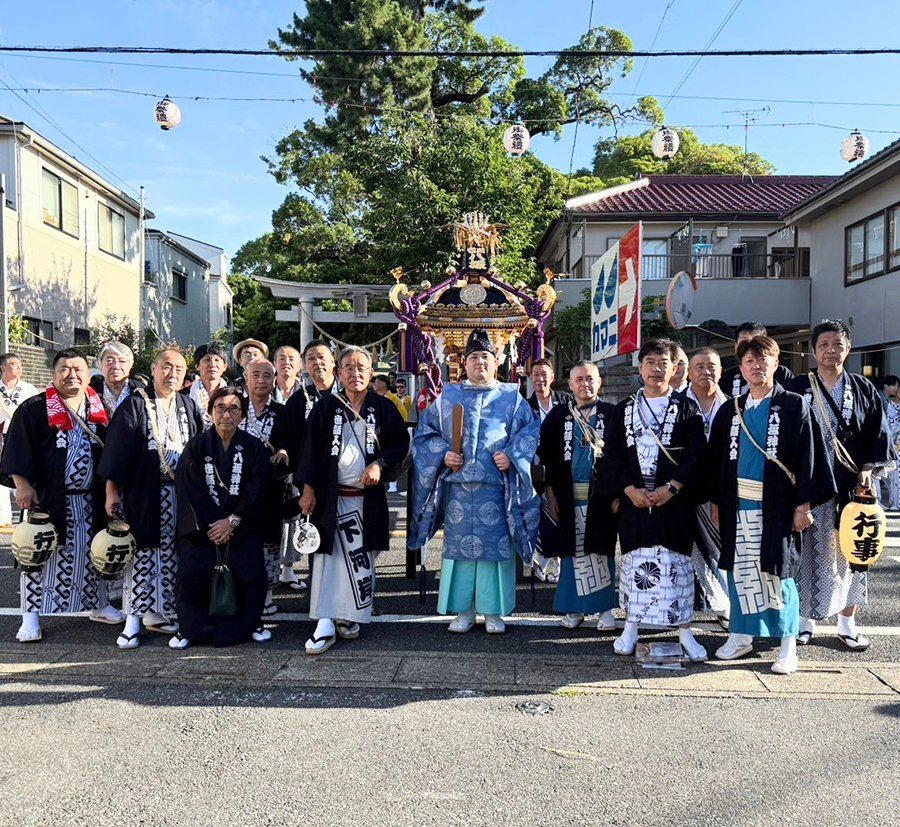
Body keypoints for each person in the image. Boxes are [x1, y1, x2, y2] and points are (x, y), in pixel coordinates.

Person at [707, 335, 834, 674]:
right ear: (741, 368)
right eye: (749, 362)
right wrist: (718, 502)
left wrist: (803, 505)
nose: (756, 366)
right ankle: (740, 636)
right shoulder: (730, 409)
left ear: (777, 364)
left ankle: (788, 644)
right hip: (737, 504)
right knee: (741, 572)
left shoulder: (794, 404)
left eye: (763, 360)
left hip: (777, 504)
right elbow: (717, 462)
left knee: (780, 574)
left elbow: (808, 458)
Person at [410, 330, 540, 635]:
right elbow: (424, 435)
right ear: (464, 364)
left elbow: (530, 433)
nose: (480, 362)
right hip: (458, 489)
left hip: (495, 489)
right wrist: (442, 454)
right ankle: (464, 611)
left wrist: (511, 454)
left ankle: (494, 611)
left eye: (485, 357)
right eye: (474, 357)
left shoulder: (511, 397)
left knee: (495, 553)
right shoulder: (448, 397)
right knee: (459, 554)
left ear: (496, 363)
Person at [0, 348, 123, 642]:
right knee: (37, 555)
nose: (72, 375)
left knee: (95, 553)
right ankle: (30, 617)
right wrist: (22, 484)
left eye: (78, 369)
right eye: (65, 369)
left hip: (90, 498)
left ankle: (99, 604)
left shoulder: (100, 406)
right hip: (48, 498)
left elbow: (115, 451)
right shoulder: (33, 408)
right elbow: (17, 447)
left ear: (87, 372)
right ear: (54, 375)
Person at [786, 320, 893, 651]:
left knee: (854, 552)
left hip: (851, 487)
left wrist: (867, 471)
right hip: (809, 488)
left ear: (847, 349)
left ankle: (848, 623)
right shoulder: (800, 388)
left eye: (837, 344)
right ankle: (805, 621)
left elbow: (879, 435)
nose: (831, 350)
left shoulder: (862, 389)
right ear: (813, 351)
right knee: (806, 555)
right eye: (824, 345)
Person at [295, 347, 409, 654]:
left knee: (361, 560)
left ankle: (349, 615)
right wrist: (307, 491)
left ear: (371, 373)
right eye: (347, 367)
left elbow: (401, 444)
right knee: (327, 562)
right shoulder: (326, 407)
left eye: (361, 367)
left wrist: (379, 465)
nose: (354, 373)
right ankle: (324, 621)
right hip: (330, 498)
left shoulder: (383, 408)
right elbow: (309, 451)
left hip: (367, 499)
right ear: (339, 372)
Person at [600, 338, 707, 661]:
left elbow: (696, 456)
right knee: (635, 563)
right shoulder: (624, 410)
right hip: (636, 499)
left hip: (674, 501)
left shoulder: (687, 409)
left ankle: (685, 630)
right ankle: (631, 626)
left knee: (678, 566)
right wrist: (628, 490)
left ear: (675, 368)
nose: (656, 369)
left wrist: (672, 487)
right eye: (650, 362)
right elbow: (612, 456)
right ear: (640, 367)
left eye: (663, 363)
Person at [100, 349, 205, 649]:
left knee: (176, 555)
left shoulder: (188, 404)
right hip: (145, 492)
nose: (172, 374)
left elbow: (198, 447)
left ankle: (165, 613)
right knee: (142, 555)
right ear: (154, 369)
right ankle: (133, 620)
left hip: (181, 494)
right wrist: (111, 491)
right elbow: (117, 452)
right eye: (166, 367)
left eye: (179, 369)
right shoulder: (135, 404)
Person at [169, 387, 273, 649]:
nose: (227, 414)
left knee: (249, 575)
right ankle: (190, 629)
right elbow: (189, 488)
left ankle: (250, 625)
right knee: (192, 576)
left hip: (242, 526)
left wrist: (233, 520)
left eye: (234, 409)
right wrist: (212, 525)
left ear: (242, 414)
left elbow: (259, 486)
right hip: (203, 529)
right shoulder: (196, 447)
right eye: (221, 408)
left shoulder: (253, 447)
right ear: (211, 412)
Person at [539, 361, 618, 631]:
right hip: (567, 496)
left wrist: (618, 495)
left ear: (600, 382)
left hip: (601, 497)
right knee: (571, 554)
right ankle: (574, 608)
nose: (585, 384)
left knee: (602, 550)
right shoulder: (558, 415)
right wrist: (550, 493)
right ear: (570, 385)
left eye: (590, 378)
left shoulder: (612, 414)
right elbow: (546, 458)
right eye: (579, 379)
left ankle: (605, 609)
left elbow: (620, 459)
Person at [280, 339, 338, 590]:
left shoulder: (351, 394)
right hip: (312, 481)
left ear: (333, 361)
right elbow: (287, 438)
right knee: (317, 537)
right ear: (304, 365)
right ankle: (321, 596)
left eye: (322, 357)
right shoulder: (297, 401)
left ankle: (355, 598)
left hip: (347, 479)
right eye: (311, 359)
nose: (317, 363)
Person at [239, 358, 291, 616]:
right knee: (240, 541)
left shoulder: (282, 412)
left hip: (271, 489)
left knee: (269, 542)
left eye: (267, 376)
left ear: (275, 381)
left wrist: (283, 450)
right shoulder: (234, 408)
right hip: (237, 488)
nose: (261, 380)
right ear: (246, 378)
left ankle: (267, 594)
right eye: (255, 375)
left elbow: (291, 442)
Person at [683, 347, 730, 623]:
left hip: (721, 493)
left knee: (719, 550)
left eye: (711, 366)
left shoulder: (734, 407)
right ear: (689, 372)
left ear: (721, 372)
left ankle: (724, 605)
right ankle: (683, 609)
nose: (705, 372)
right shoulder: (676, 405)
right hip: (683, 491)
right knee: (684, 552)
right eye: (699, 366)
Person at [527, 358, 570, 583]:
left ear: (552, 377)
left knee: (559, 515)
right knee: (539, 517)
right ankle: (540, 564)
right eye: (536, 375)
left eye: (544, 374)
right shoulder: (525, 406)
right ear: (530, 378)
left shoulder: (565, 402)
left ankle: (559, 564)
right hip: (534, 469)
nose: (540, 379)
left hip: (561, 468)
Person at [0, 353, 39, 527]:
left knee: (23, 474)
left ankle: (26, 515)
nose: (19, 367)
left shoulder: (28, 389)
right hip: (1, 436)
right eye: (14, 364)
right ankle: (3, 518)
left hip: (22, 438)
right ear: (3, 368)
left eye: (19, 364)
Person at [720, 322, 794, 397]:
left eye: (756, 342)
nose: (751, 346)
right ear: (736, 347)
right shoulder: (727, 377)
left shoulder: (782, 373)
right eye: (744, 342)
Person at [89, 341, 141, 417]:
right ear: (100, 364)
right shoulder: (90, 392)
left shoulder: (142, 391)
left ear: (130, 365)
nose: (116, 366)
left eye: (122, 361)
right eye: (109, 361)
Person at [189, 343, 229, 427]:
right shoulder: (186, 395)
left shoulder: (233, 395)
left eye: (217, 360)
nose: (212, 364)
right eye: (207, 360)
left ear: (225, 366)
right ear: (197, 366)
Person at [882, 375, 900, 510]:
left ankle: (896, 503)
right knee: (893, 476)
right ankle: (895, 502)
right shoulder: (888, 404)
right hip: (892, 444)